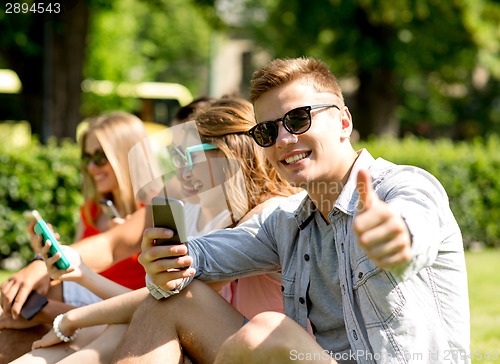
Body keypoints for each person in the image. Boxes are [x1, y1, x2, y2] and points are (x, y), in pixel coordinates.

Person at [111, 57, 470, 364]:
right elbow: (202, 256)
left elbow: (413, 227)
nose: (283, 139)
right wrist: (167, 259)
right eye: (267, 131)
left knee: (268, 331)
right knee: (171, 301)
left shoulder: (403, 187)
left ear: (344, 122)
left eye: (298, 119)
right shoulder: (287, 223)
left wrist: (394, 238)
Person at [11, 97, 299, 364]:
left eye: (189, 157)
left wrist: (69, 318)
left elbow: (167, 296)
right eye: (176, 158)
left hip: (262, 349)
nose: (182, 172)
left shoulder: (266, 217)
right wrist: (74, 277)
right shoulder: (208, 212)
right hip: (216, 337)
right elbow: (147, 281)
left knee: (154, 311)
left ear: (230, 155)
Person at [0, 112, 151, 363]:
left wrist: (44, 303)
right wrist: (44, 255)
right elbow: (73, 275)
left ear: (126, 156)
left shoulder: (151, 212)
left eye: (100, 158)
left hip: (104, 320)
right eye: (87, 158)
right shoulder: (92, 211)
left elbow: (137, 306)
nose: (92, 167)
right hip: (73, 312)